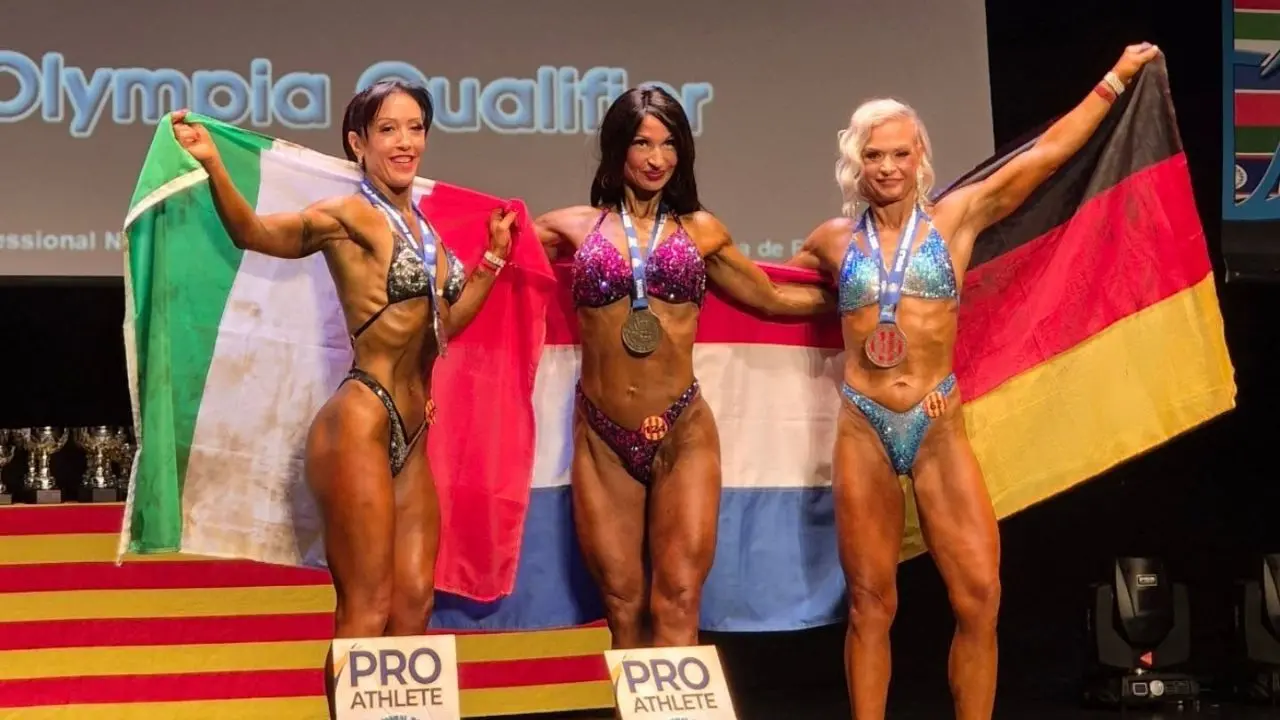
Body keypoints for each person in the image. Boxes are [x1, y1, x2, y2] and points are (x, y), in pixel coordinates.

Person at [787, 44, 1162, 719]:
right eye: (874, 155)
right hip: (863, 424)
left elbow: (1046, 156)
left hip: (936, 422)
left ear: (920, 158)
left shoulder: (956, 217)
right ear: (856, 164)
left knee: (980, 596)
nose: (888, 167)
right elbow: (772, 297)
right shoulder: (833, 240)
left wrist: (1115, 78)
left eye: (900, 154)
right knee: (871, 603)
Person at [169, 80, 517, 718]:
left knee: (414, 605)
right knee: (367, 605)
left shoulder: (427, 232)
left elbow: (443, 326)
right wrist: (215, 163)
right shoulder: (349, 216)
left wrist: (492, 261)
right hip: (360, 420)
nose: (405, 142)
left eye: (415, 128)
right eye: (388, 130)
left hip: (413, 433)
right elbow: (254, 233)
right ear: (358, 143)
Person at [534, 86, 835, 648]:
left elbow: (772, 299)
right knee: (623, 608)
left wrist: (860, 301)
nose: (657, 158)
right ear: (617, 148)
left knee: (678, 599)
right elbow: (488, 265)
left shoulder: (702, 232)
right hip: (603, 439)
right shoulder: (570, 228)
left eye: (669, 144)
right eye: (642, 143)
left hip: (683, 432)